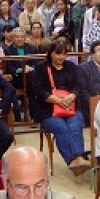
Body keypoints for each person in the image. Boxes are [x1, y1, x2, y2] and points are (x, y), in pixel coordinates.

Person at [30, 39, 90, 175]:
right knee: (61, 128)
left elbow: (79, 85)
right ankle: (72, 161)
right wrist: (56, 100)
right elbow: (38, 90)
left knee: (75, 125)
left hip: (70, 105)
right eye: (58, 54)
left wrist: (71, 96)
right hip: (48, 108)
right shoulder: (40, 68)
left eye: (64, 54)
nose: (61, 57)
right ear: (51, 53)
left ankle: (78, 157)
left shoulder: (71, 66)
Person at [76, 40, 100, 125]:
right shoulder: (84, 68)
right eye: (99, 50)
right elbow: (83, 93)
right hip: (93, 107)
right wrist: (98, 105)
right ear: (92, 55)